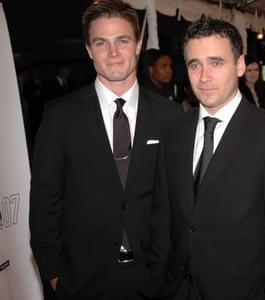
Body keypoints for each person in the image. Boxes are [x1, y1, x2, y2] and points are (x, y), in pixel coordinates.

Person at [150, 17, 265, 299]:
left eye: (216, 62)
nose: (204, 76)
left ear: (238, 66)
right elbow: (164, 217)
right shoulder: (174, 132)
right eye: (194, 64)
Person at [29, 0, 179, 299]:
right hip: (81, 279)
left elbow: (178, 201)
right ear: (89, 50)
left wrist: (169, 270)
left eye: (122, 41)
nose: (113, 53)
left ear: (138, 45)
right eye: (101, 43)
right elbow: (45, 200)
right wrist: (54, 273)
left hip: (154, 279)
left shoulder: (171, 117)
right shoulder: (59, 115)